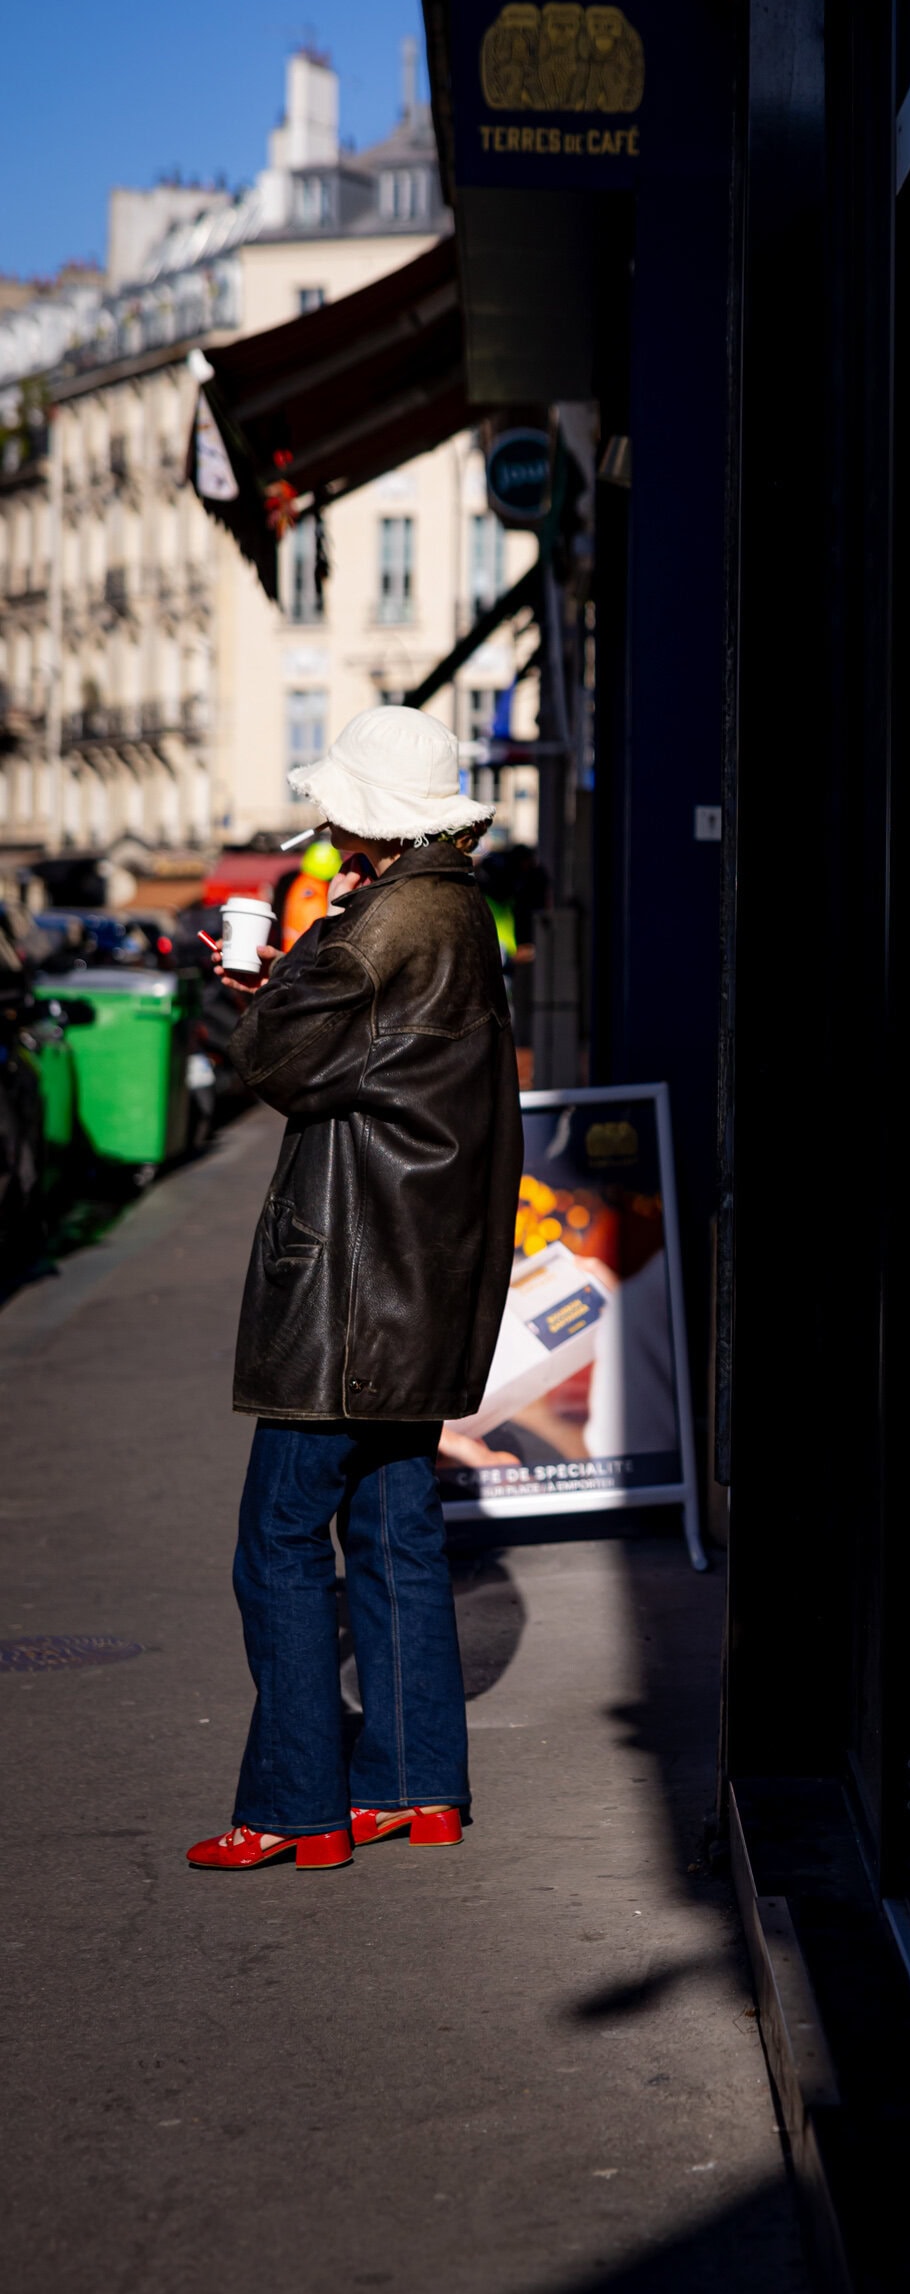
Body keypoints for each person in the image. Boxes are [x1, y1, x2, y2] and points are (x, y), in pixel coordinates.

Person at [187, 707, 523, 1872]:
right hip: (422, 1277)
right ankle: (414, 1784)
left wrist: (255, 983)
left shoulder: (377, 924)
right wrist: (309, 971)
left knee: (277, 1539)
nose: (324, 826)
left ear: (362, 814)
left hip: (346, 1280)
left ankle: (294, 1807)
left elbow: (278, 1064)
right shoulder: (460, 914)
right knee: (394, 1528)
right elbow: (370, 1058)